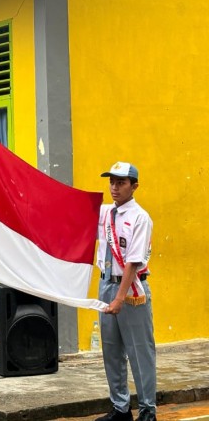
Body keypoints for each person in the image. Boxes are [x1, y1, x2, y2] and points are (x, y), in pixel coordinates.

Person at [95, 162, 156, 421]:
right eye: (112, 182)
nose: (114, 187)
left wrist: (120, 298)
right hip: (106, 283)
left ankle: (147, 411)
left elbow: (133, 261)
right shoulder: (105, 213)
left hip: (131, 289)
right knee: (111, 350)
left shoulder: (140, 218)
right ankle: (120, 409)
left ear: (134, 186)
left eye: (121, 182)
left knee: (139, 352)